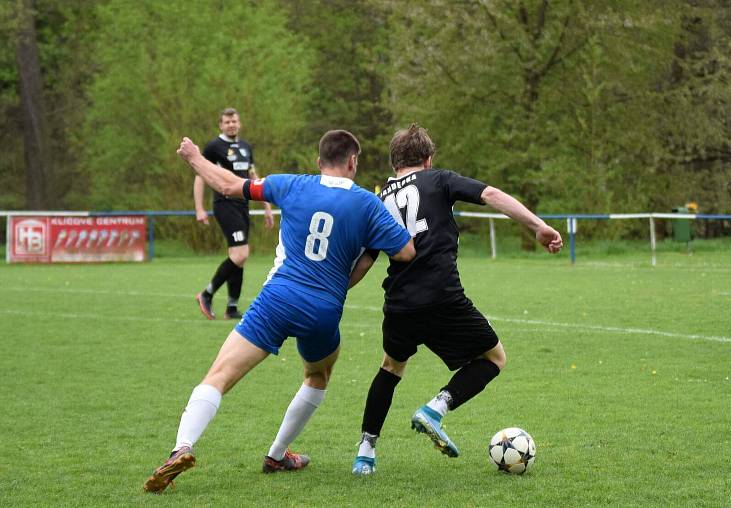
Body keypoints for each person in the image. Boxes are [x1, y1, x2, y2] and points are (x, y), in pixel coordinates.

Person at [144, 130, 415, 493]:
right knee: (317, 376)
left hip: (278, 298)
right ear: (353, 162)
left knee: (220, 375)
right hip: (323, 309)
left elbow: (228, 186)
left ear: (319, 163)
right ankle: (277, 454)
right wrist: (365, 254)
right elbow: (406, 252)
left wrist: (194, 157)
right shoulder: (369, 205)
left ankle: (182, 448)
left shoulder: (292, 185)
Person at [349, 124, 563, 475]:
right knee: (494, 358)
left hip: (399, 303)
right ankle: (437, 407)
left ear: (393, 163)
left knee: (391, 367)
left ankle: (365, 453)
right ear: (428, 159)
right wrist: (537, 225)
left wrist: (336, 291)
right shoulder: (439, 179)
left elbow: (368, 258)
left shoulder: (382, 197)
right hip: (441, 296)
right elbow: (492, 194)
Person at [194, 107, 274, 320]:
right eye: (227, 122)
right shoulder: (213, 147)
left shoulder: (246, 147)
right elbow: (200, 175)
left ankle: (231, 307)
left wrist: (266, 206)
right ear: (221, 125)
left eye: (234, 121)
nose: (231, 125)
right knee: (241, 254)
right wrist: (200, 208)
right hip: (225, 203)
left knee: (239, 257)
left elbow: (253, 175)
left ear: (239, 123)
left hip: (243, 205)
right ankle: (206, 294)